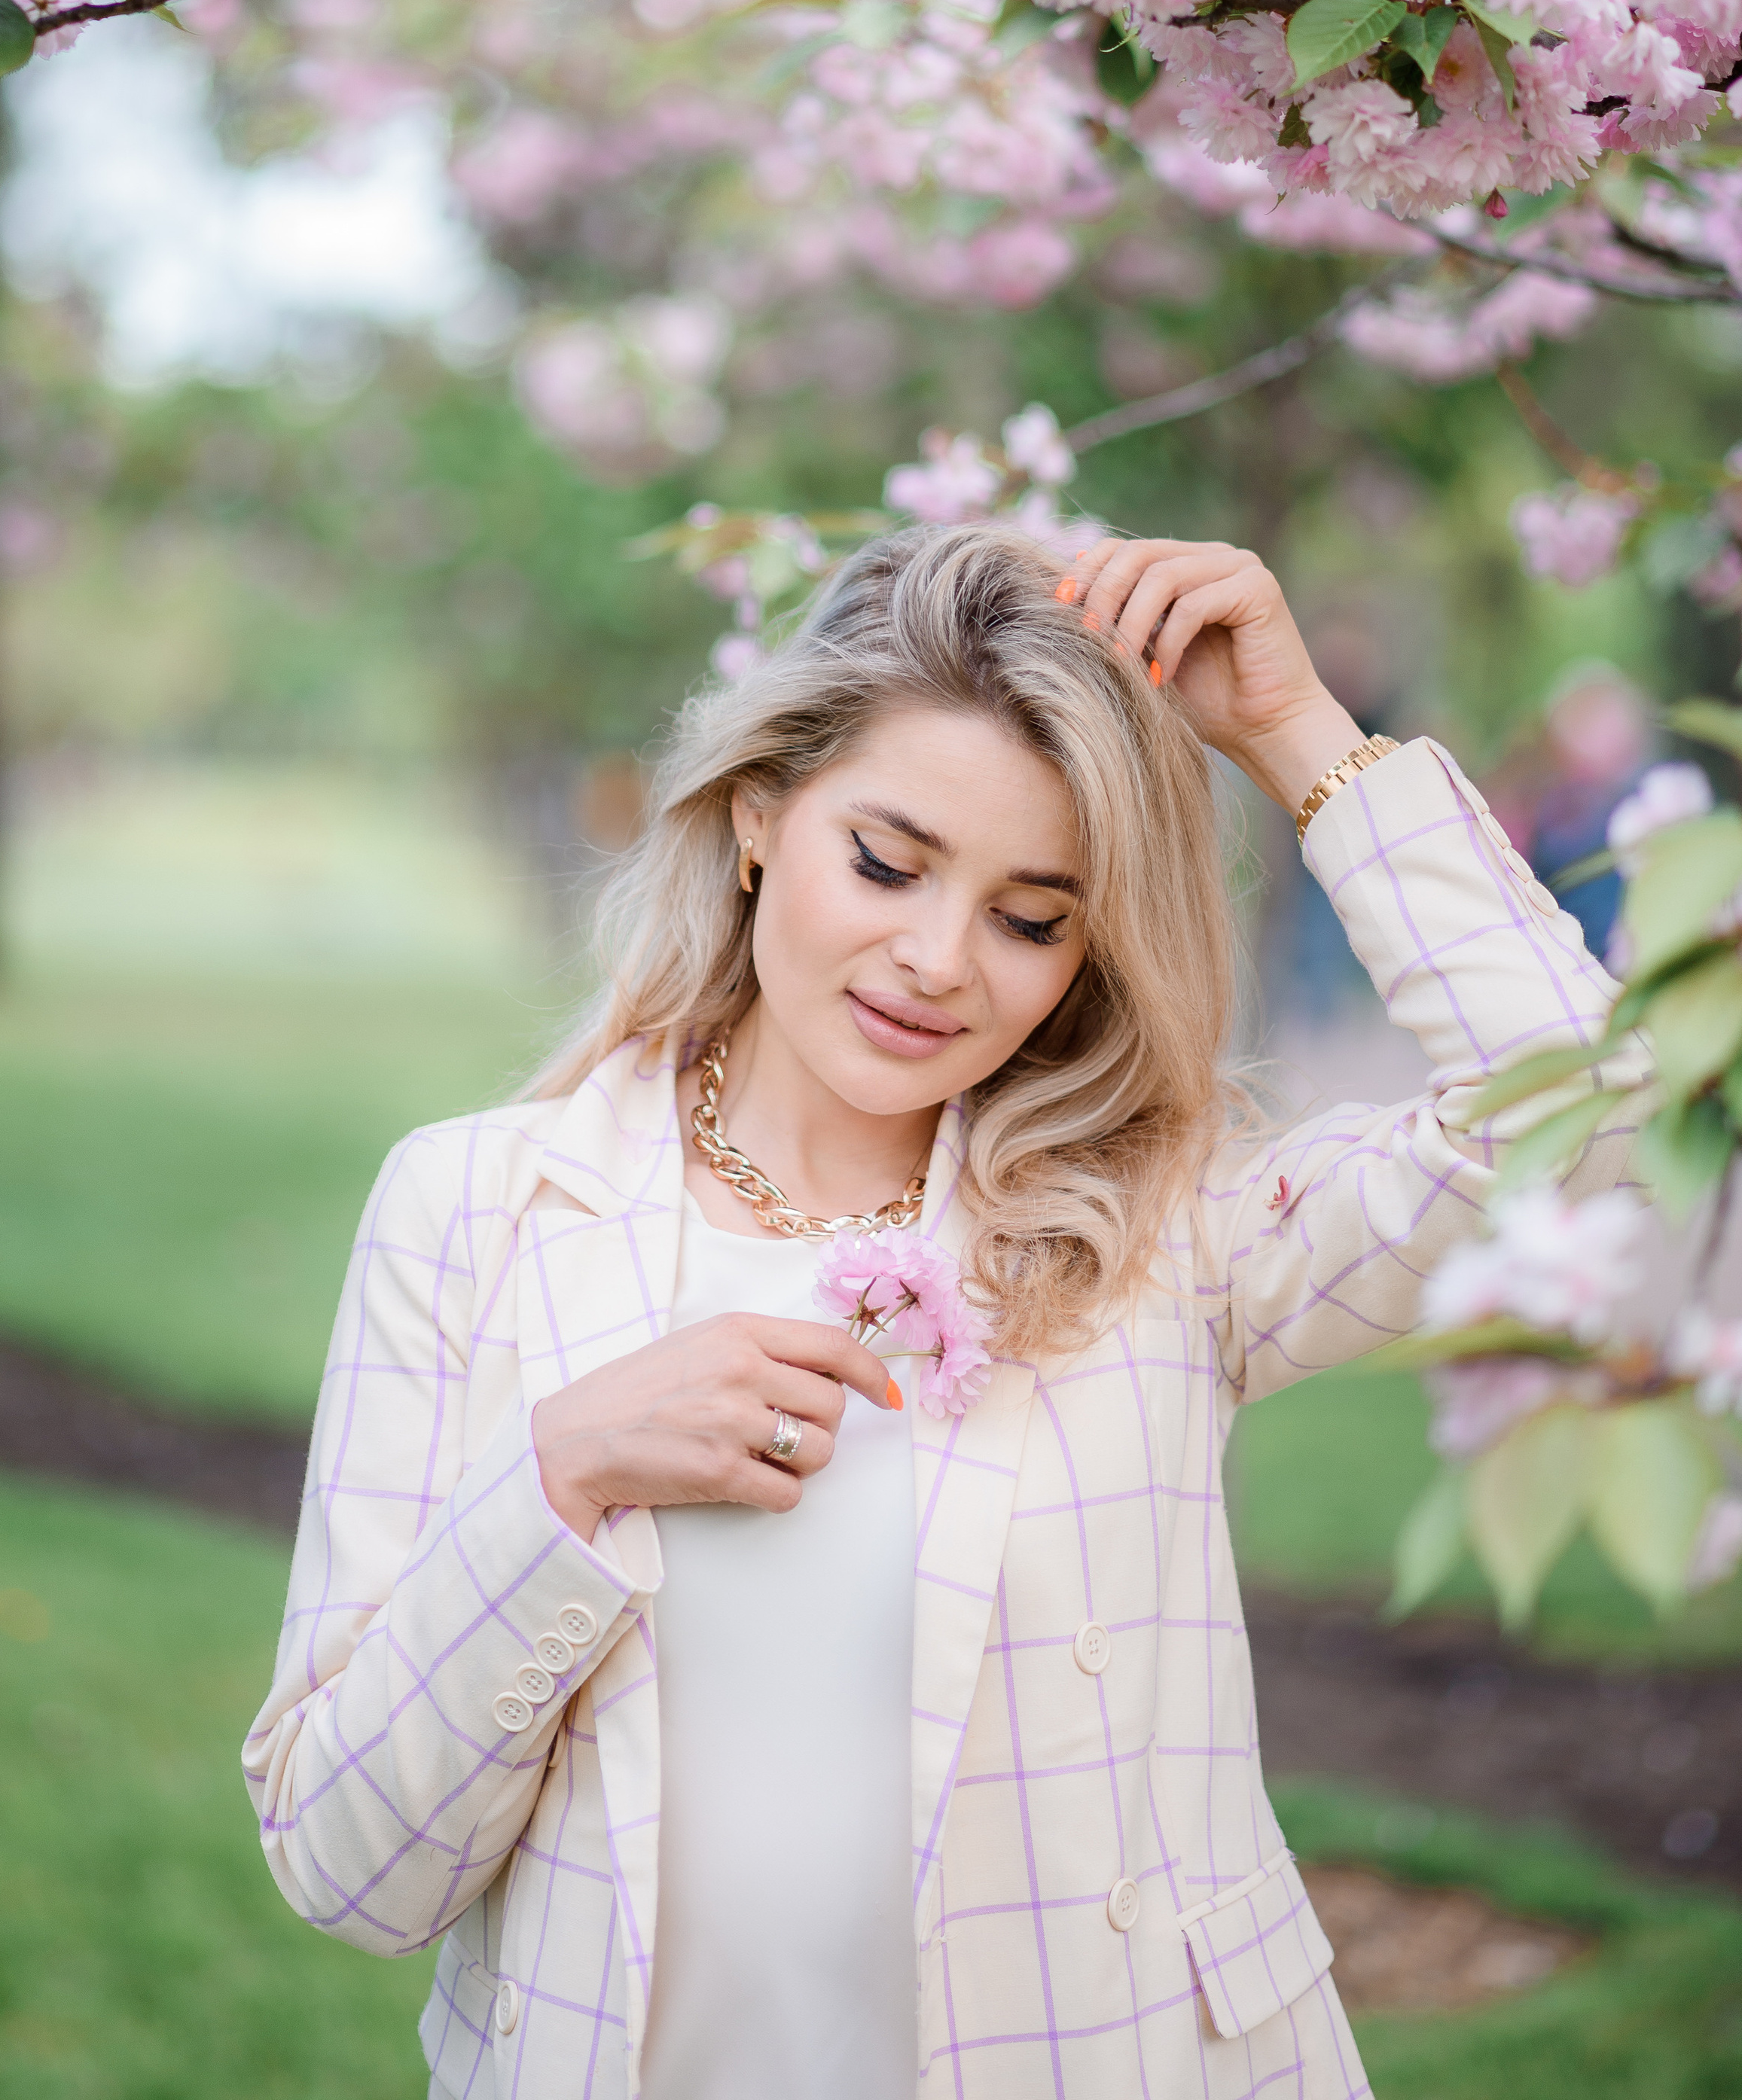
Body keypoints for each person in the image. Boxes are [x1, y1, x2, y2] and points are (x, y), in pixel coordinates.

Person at [243, 524, 1643, 2100]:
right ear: (762, 811)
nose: (934, 962)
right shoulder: (475, 1215)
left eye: (1029, 917)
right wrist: (554, 1483)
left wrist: (1293, 734)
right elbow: (346, 1867)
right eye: (888, 863)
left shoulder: (1163, 1229)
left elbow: (1582, 1116)